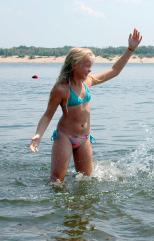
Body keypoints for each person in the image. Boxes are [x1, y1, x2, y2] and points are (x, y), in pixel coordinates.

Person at [30, 28, 142, 182]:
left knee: (87, 180)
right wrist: (38, 135)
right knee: (57, 181)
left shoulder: (88, 82)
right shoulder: (61, 89)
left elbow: (114, 70)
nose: (90, 70)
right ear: (75, 65)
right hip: (65, 137)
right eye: (87, 66)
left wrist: (130, 49)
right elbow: (48, 114)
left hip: (84, 138)